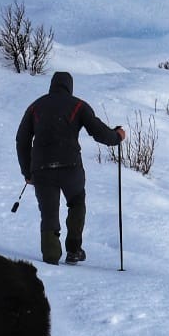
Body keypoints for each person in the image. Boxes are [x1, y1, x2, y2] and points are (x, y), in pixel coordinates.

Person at [16, 71, 126, 265]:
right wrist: (116, 136)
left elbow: (22, 140)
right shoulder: (78, 105)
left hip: (41, 169)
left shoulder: (35, 107)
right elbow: (98, 131)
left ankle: (51, 255)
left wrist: (27, 172)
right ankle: (74, 249)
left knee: (49, 212)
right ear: (70, 86)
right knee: (76, 202)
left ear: (52, 85)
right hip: (70, 167)